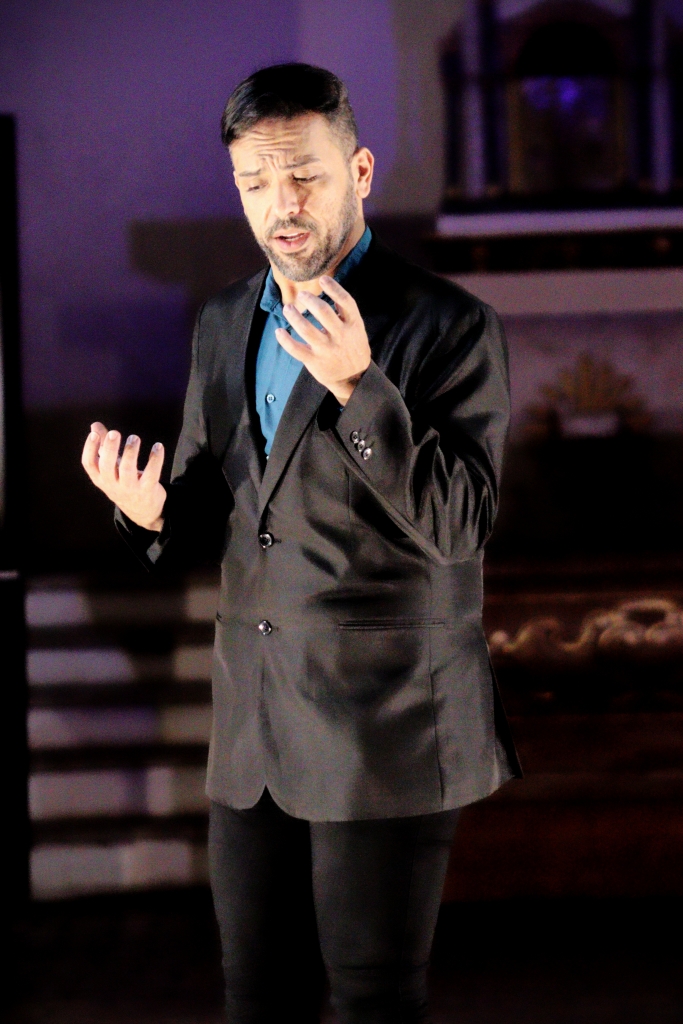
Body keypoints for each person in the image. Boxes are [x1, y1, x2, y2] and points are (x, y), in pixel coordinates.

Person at [81, 63, 521, 1024]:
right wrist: (148, 514)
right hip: (254, 733)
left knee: (372, 1004)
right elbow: (214, 505)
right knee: (258, 999)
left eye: (304, 176)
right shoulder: (223, 321)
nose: (281, 205)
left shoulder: (449, 325)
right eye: (254, 183)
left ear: (359, 171)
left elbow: (460, 525)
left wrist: (361, 389)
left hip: (386, 728)